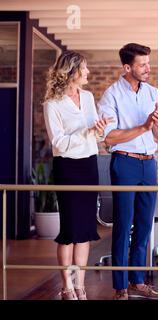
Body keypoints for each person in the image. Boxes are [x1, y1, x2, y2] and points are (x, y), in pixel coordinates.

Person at [98, 43, 158, 300]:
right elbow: (110, 138)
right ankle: (120, 287)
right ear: (127, 67)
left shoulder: (153, 92)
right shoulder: (111, 95)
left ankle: (138, 282)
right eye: (142, 64)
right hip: (124, 163)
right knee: (123, 224)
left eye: (148, 62)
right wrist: (143, 126)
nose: (148, 68)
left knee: (144, 225)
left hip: (149, 163)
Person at [43, 51, 110, 300]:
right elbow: (58, 142)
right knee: (70, 229)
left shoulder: (89, 97)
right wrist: (87, 131)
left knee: (85, 228)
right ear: (72, 71)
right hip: (68, 168)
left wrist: (100, 130)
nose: (88, 72)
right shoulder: (53, 103)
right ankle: (66, 287)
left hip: (89, 164)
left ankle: (80, 285)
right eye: (85, 68)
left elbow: (96, 133)